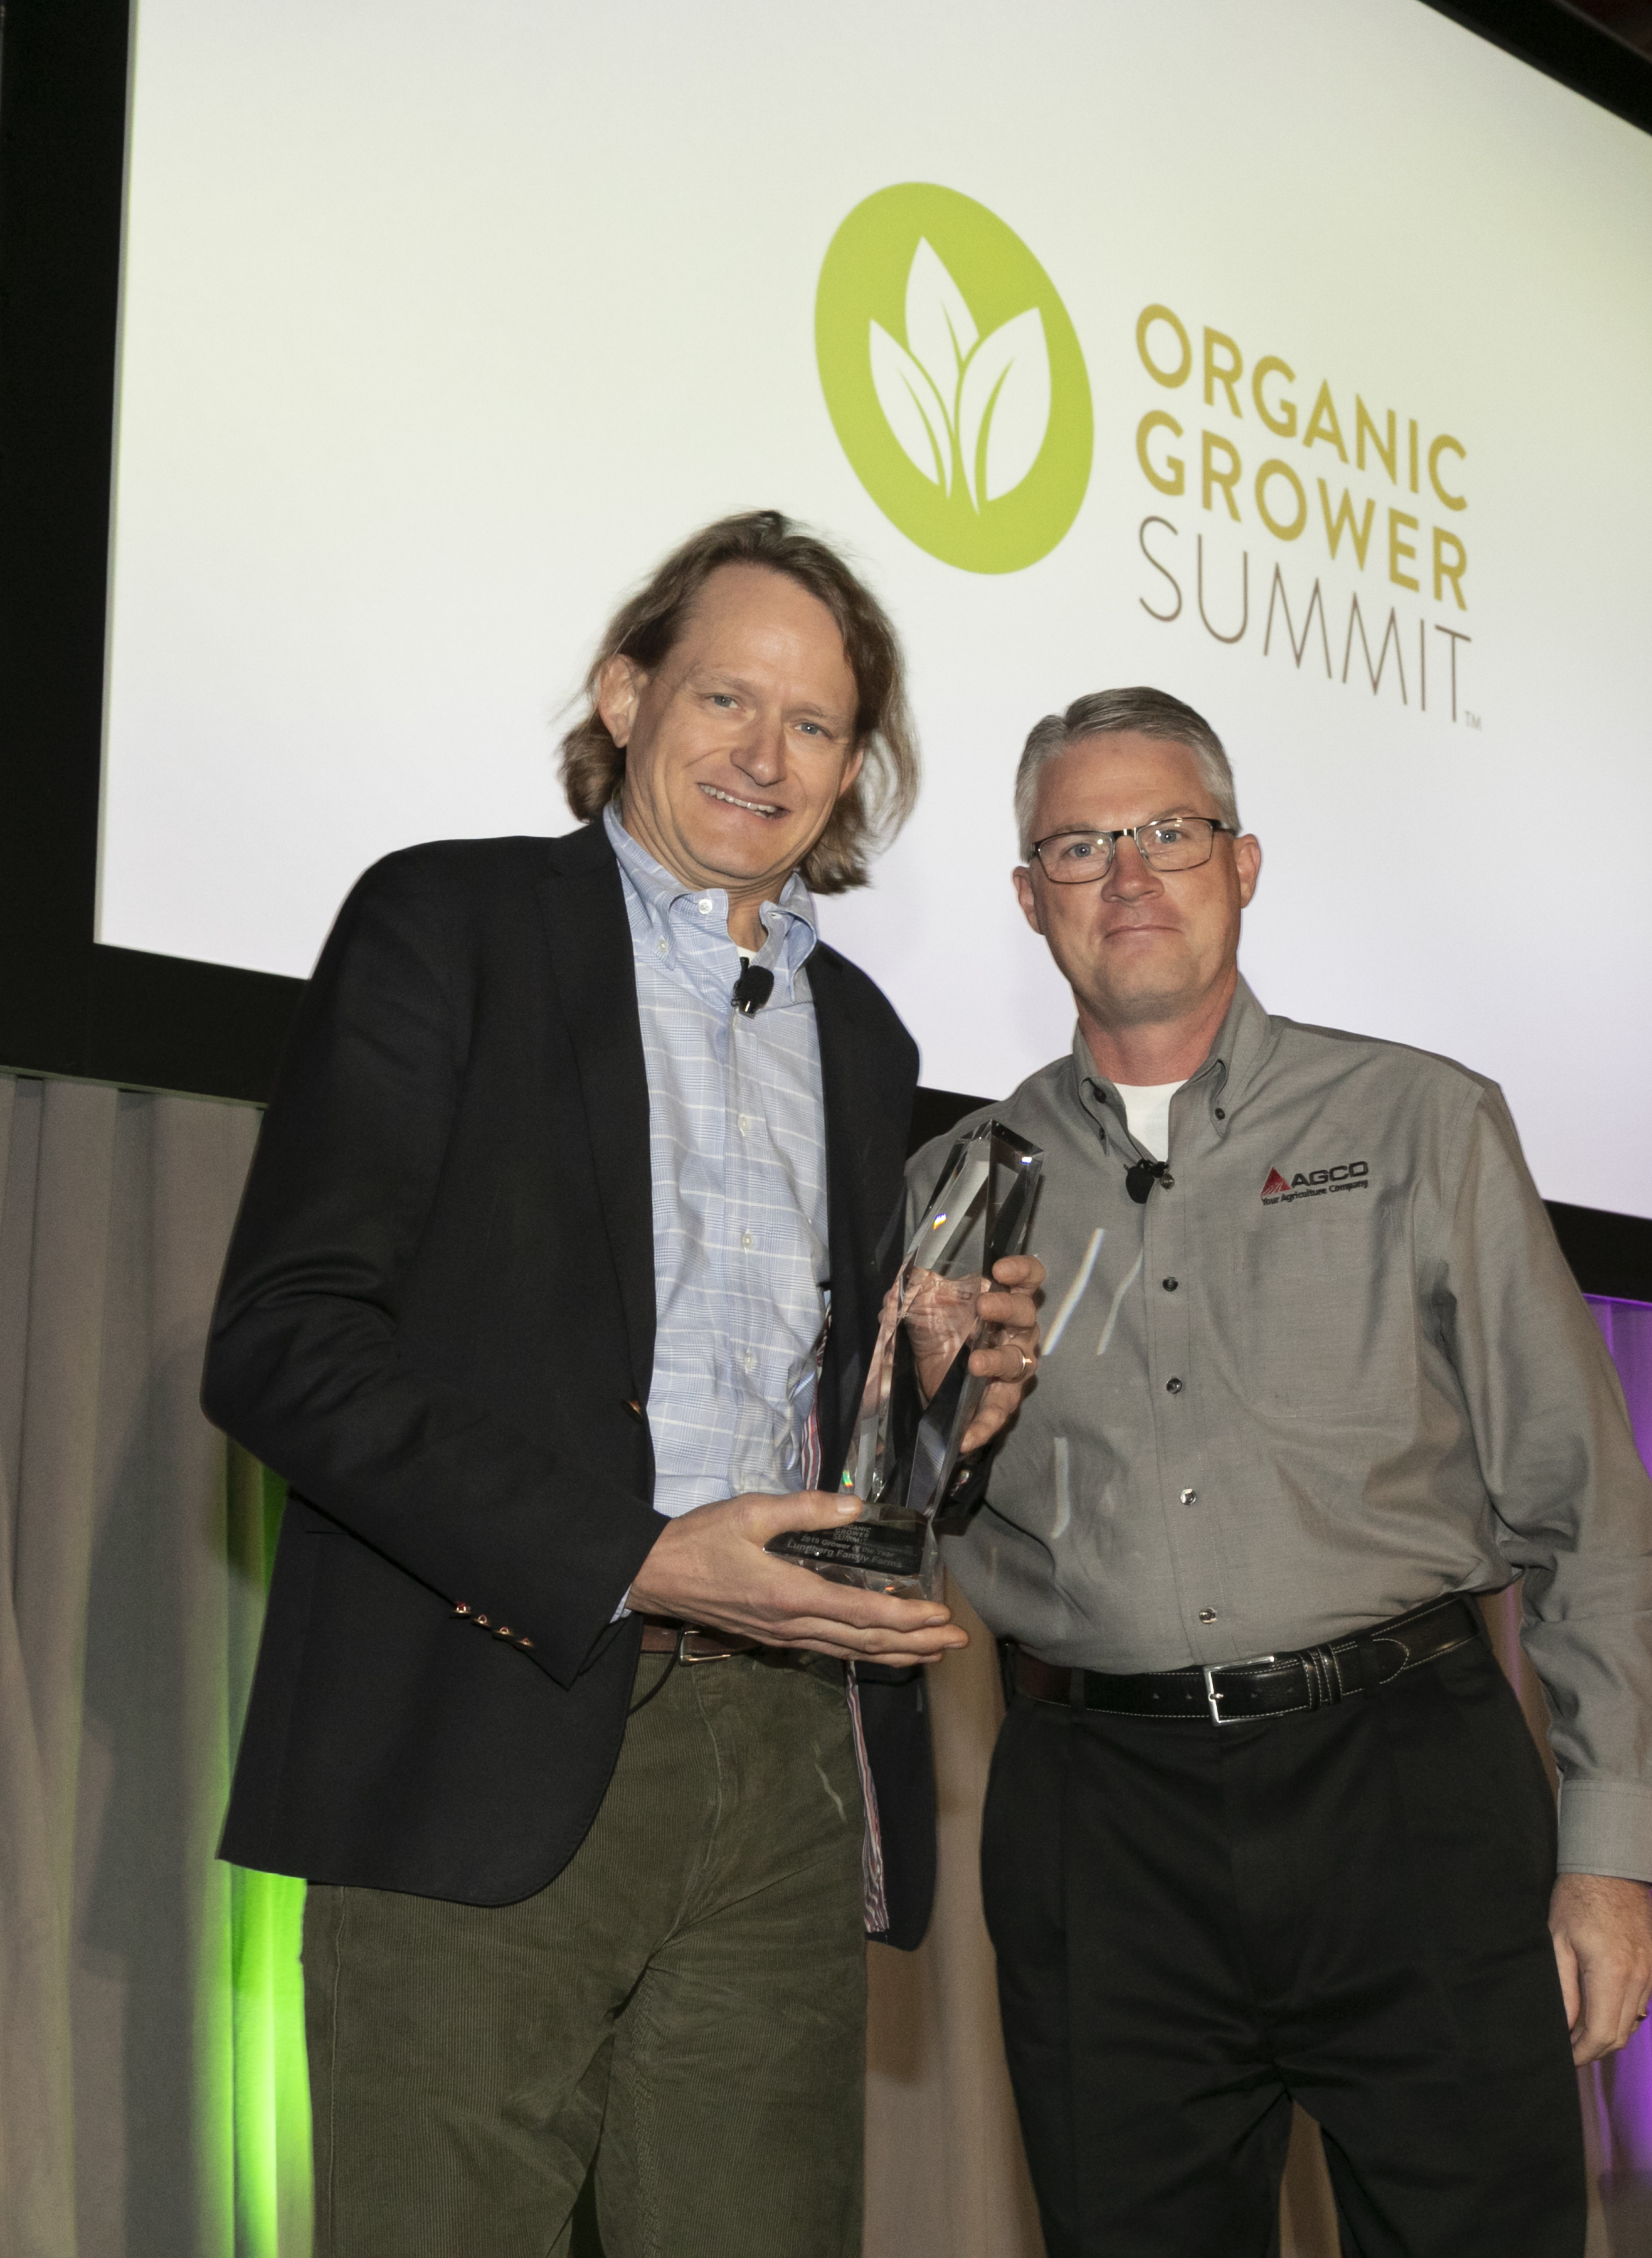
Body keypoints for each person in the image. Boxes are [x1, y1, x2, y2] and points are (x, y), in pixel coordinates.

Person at [201, 510, 1042, 2258]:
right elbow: (284, 1344)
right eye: (728, 698)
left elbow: (836, 1438)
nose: (767, 754)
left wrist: (937, 1413)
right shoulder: (453, 923)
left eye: (817, 726)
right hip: (485, 1728)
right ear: (625, 690)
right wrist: (634, 1556)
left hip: (789, 1768)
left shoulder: (866, 1036)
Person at [912, 686, 1652, 2258]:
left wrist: (1607, 1860)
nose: (1129, 876)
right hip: (1094, 1827)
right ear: (1026, 897)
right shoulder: (952, 1188)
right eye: (1080, 844)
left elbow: (1589, 1516)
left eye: (1169, 833)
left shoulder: (1424, 1123)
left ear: (1244, 862)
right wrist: (926, 1444)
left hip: (1407, 1782)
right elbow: (899, 1535)